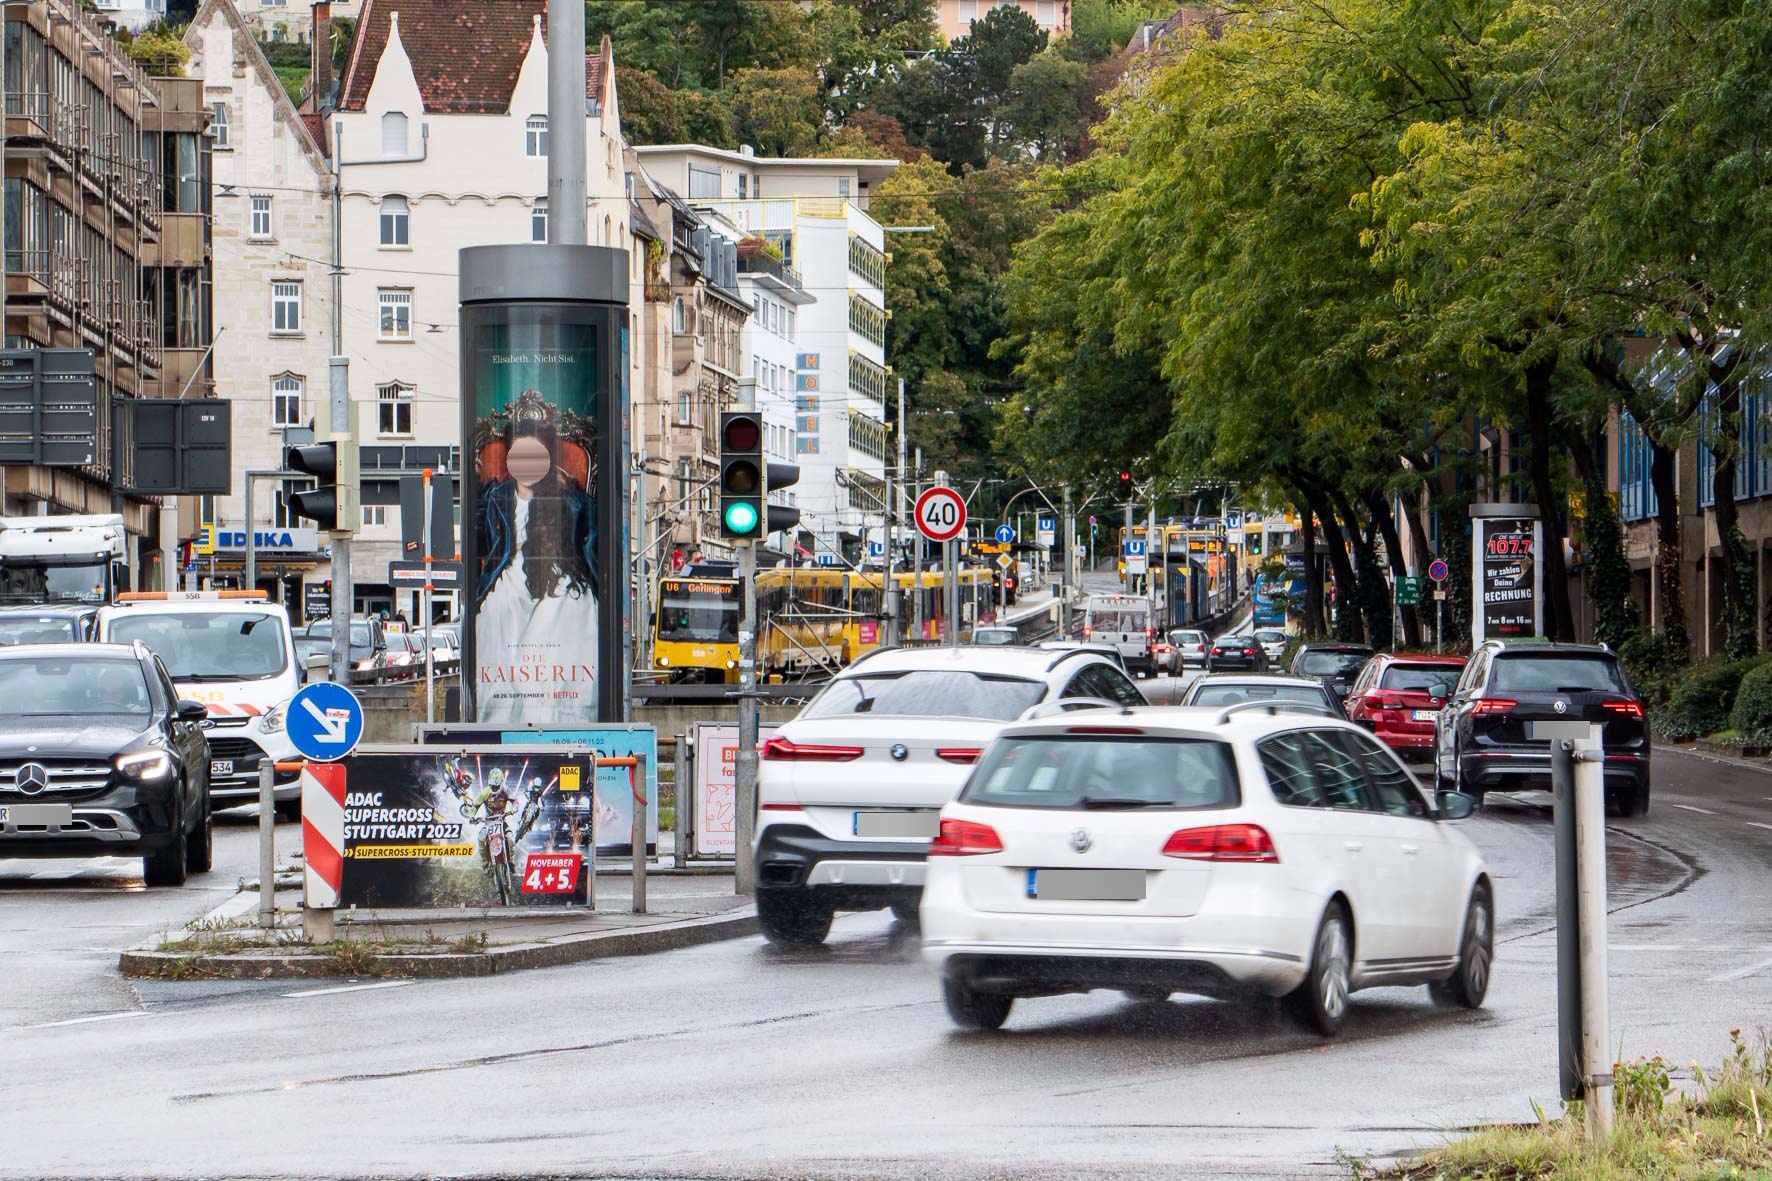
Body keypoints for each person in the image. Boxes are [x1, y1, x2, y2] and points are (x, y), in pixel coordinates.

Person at [474, 391, 598, 723]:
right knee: (497, 612)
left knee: (567, 611)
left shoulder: (570, 498)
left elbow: (591, 537)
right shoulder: (496, 496)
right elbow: (479, 539)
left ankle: (550, 715)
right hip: (509, 574)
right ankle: (503, 718)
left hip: (559, 577)